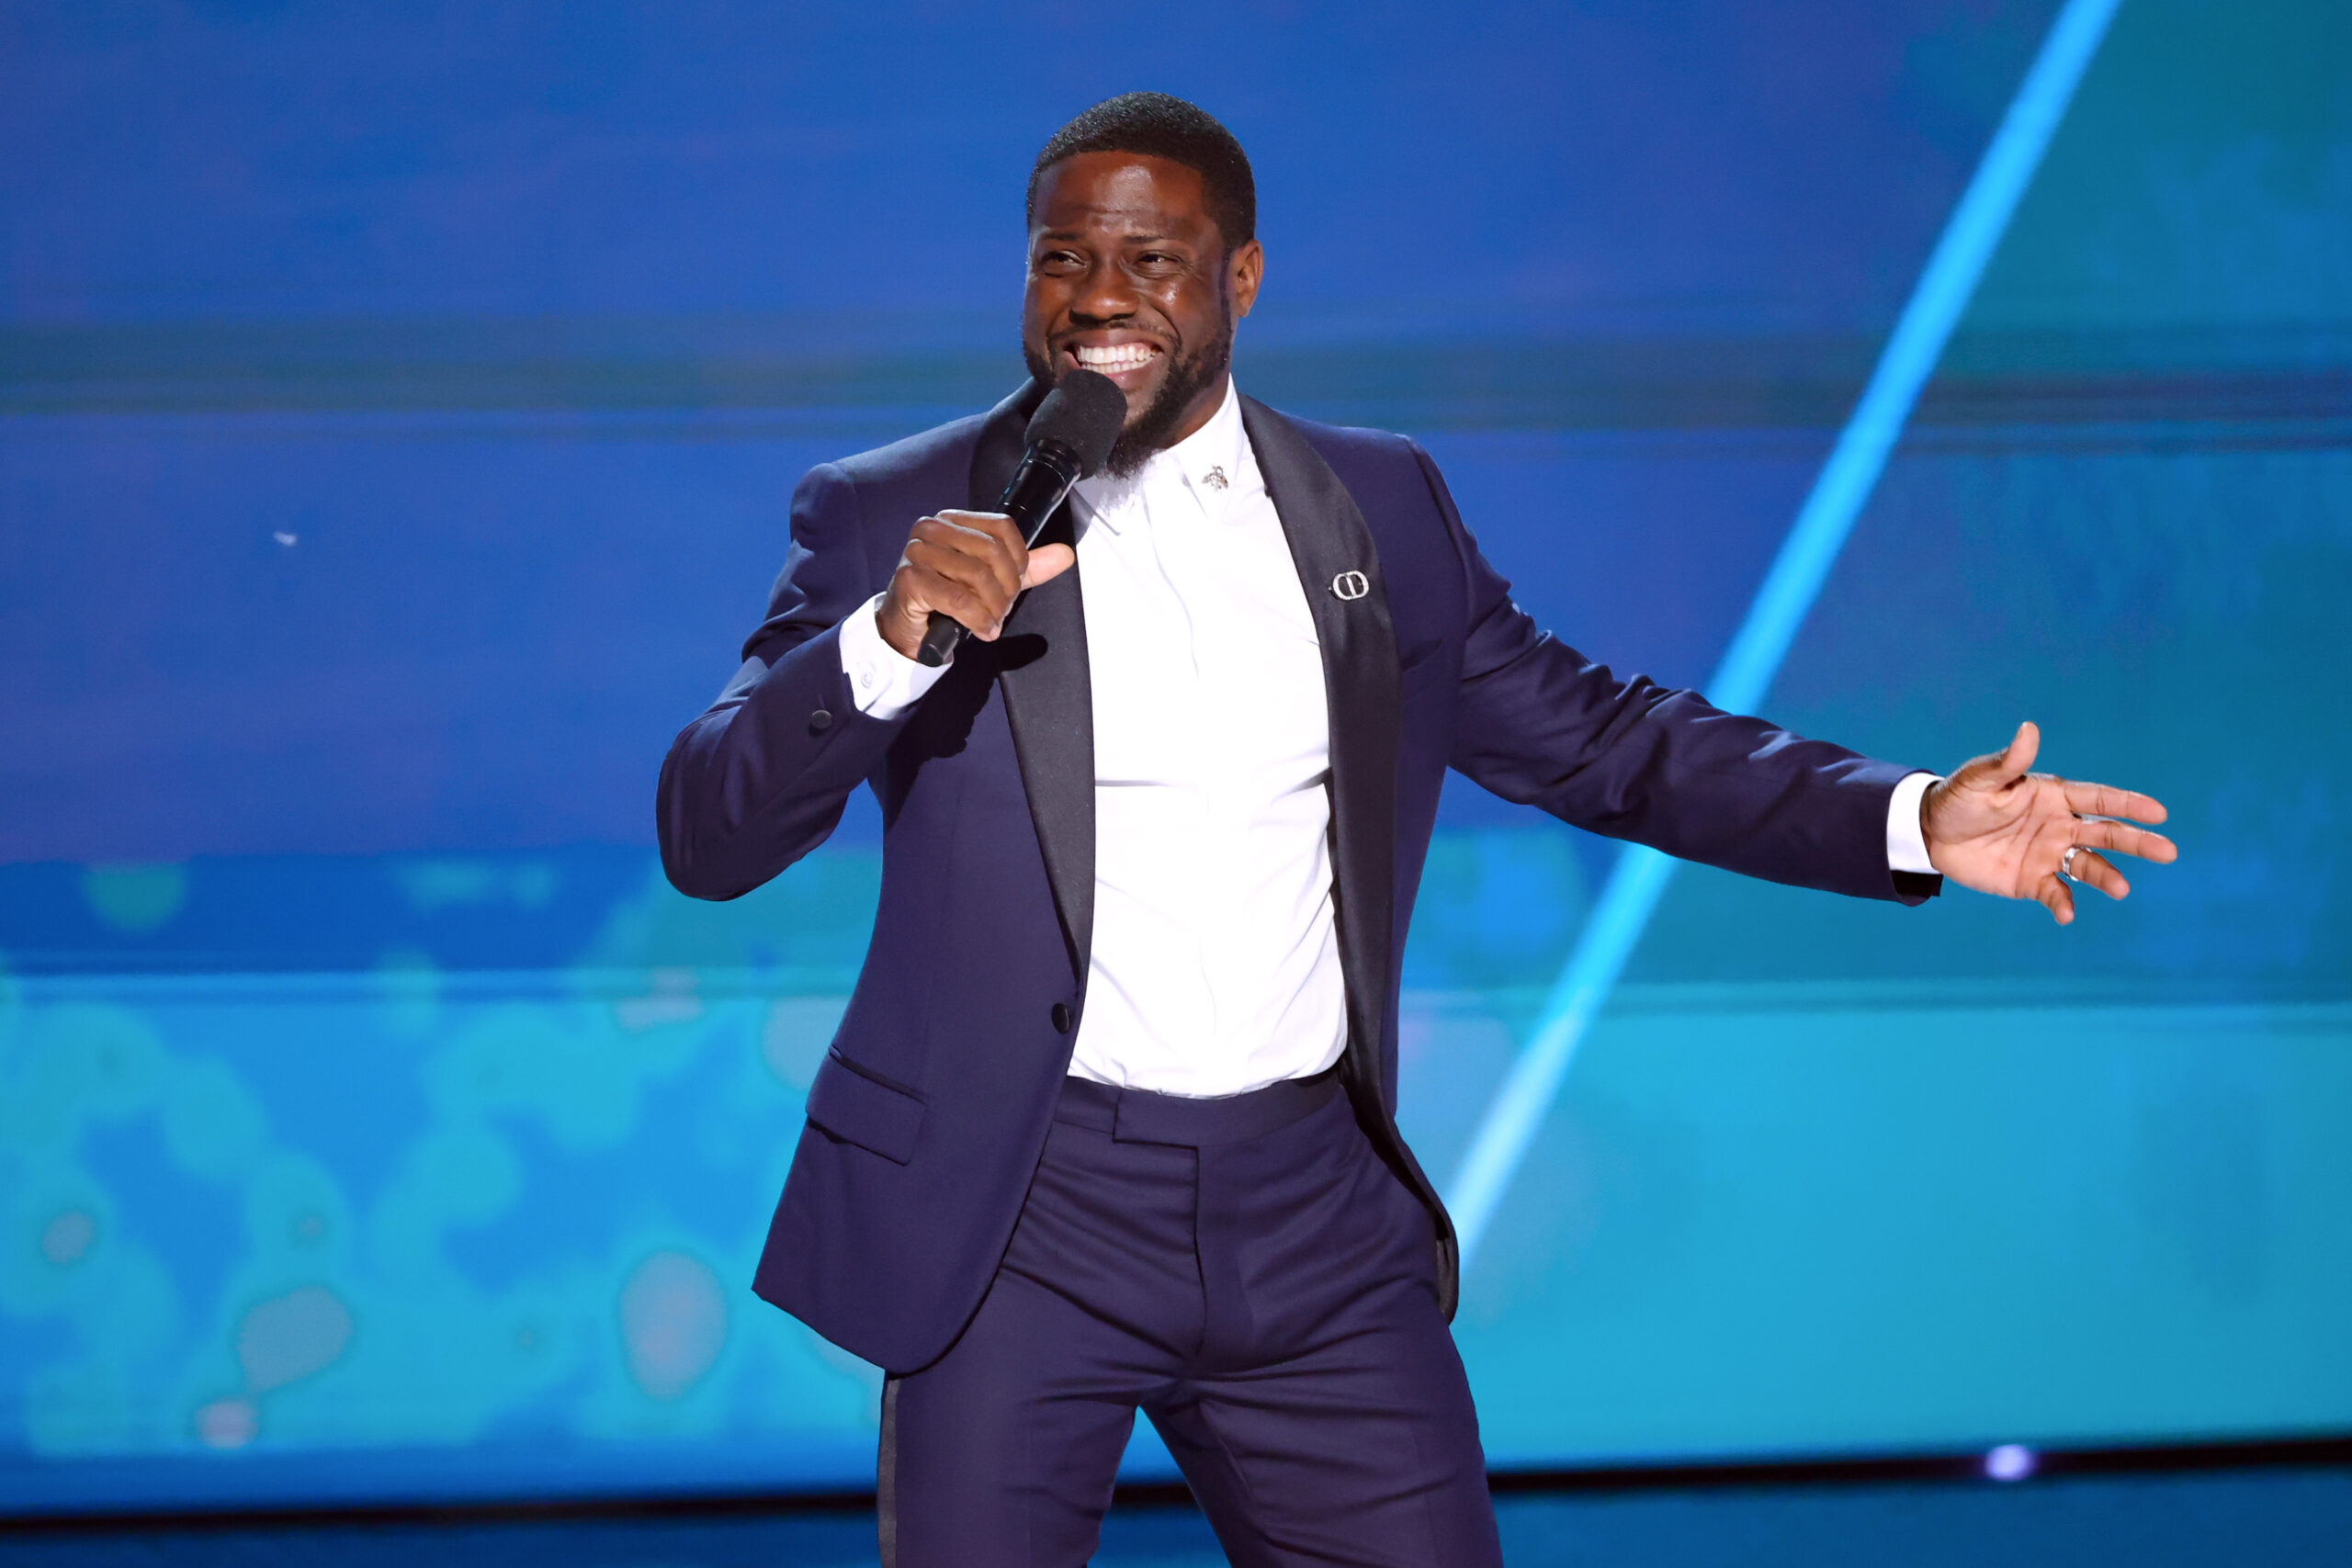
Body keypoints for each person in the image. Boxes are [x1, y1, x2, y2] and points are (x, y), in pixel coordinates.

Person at [656, 91, 2174, 1568]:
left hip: (1314, 1215)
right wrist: (886, 642)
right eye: (1063, 258)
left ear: (1242, 278)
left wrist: (1909, 820)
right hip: (1021, 1215)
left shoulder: (1379, 505)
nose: (1099, 297)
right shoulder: (898, 515)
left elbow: (1603, 740)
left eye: (1151, 259)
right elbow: (708, 831)